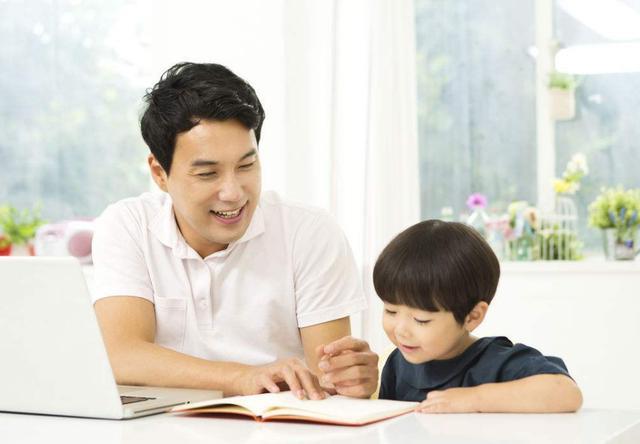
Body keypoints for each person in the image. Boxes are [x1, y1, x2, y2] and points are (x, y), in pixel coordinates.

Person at [91, 62, 378, 400]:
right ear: (159, 173)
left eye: (246, 165)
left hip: (278, 424)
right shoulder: (129, 225)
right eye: (207, 174)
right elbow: (120, 355)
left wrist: (352, 379)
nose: (233, 193)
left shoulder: (310, 232)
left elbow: (328, 383)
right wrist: (242, 377)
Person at [374, 220, 583, 412]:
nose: (401, 330)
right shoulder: (397, 364)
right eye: (390, 311)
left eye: (421, 320)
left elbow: (566, 393)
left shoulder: (496, 362)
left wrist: (474, 398)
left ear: (472, 316)